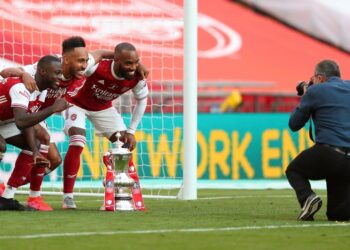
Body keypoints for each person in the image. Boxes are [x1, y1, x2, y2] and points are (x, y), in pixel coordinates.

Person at [62, 42, 148, 209]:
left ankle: (118, 195)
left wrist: (131, 131)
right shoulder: (96, 67)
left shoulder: (137, 76)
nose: (133, 67)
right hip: (76, 103)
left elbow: (142, 100)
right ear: (116, 60)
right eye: (128, 63)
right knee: (78, 141)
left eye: (136, 62)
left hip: (102, 108)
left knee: (124, 145)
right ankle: (68, 197)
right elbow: (79, 64)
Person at [0, 55, 70, 211]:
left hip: (4, 121)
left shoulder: (41, 91)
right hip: (8, 121)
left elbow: (28, 122)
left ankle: (7, 198)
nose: (60, 77)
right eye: (57, 73)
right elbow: (22, 121)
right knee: (1, 146)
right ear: (43, 72)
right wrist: (53, 108)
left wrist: (35, 152)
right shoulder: (21, 87)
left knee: (36, 144)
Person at [286, 59, 350, 221]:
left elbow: (294, 124)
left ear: (320, 78)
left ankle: (307, 198)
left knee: (294, 170)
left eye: (314, 78)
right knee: (338, 215)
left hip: (329, 153)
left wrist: (307, 95)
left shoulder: (316, 91)